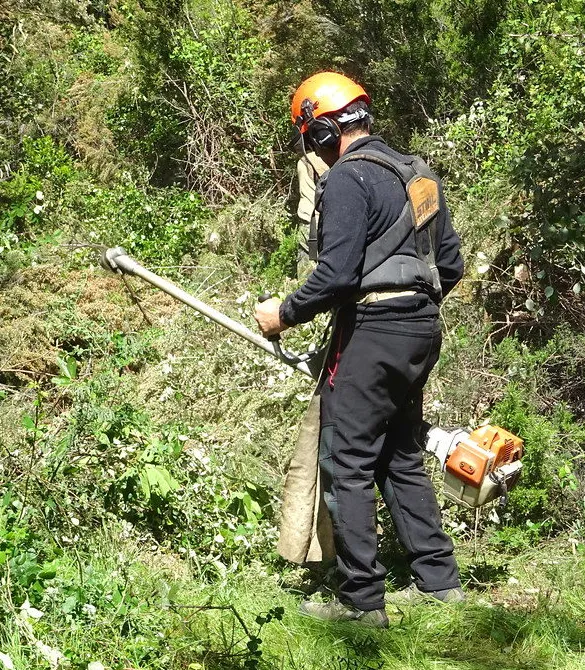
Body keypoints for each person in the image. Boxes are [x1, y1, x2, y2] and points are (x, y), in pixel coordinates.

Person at [255, 71, 465, 627]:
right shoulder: (418, 175)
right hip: (424, 329)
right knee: (398, 452)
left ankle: (361, 602)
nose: (313, 151)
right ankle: (440, 584)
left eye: (310, 137)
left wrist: (284, 313)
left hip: (373, 330)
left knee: (346, 460)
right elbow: (451, 266)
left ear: (323, 130)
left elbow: (336, 274)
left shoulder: (349, 178)